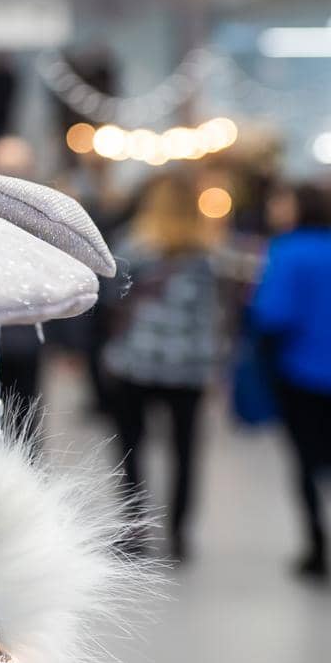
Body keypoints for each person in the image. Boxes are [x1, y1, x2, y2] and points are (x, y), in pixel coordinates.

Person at [103, 172, 225, 562]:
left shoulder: (133, 246)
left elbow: (108, 297)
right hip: (187, 368)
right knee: (185, 451)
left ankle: (135, 529)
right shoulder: (209, 257)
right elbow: (214, 317)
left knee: (132, 448)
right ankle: (180, 535)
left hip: (135, 361)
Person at [251, 182, 331, 580]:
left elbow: (272, 315)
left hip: (303, 373)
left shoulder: (288, 251)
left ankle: (316, 546)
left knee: (305, 462)